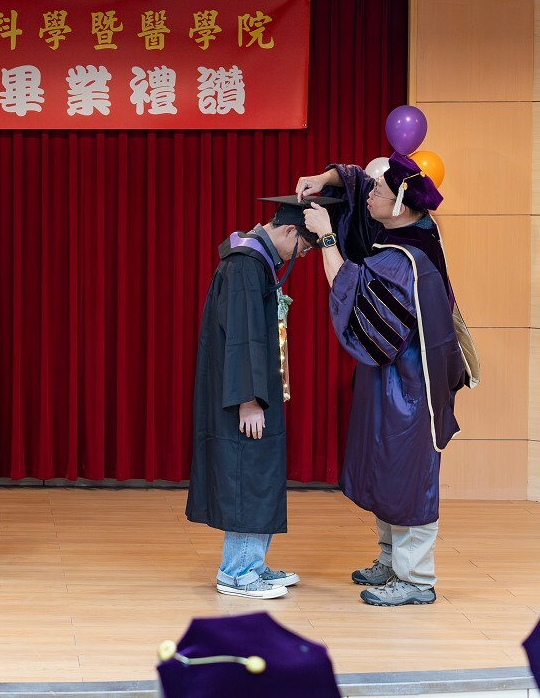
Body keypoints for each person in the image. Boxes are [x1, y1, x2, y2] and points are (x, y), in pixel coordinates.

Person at [297, 154, 467, 606]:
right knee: (386, 468)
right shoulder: (412, 229)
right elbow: (356, 181)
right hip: (391, 378)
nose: (369, 194)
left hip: (410, 384)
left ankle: (416, 580)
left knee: (408, 476)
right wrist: (324, 178)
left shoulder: (403, 260)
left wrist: (327, 237)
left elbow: (354, 297)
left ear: (400, 206)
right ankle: (391, 560)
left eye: (380, 191)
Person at [186, 196, 339, 600]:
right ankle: (237, 572)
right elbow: (242, 336)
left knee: (260, 472)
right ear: (289, 230)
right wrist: (249, 399)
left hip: (254, 389)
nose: (302, 256)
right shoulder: (244, 266)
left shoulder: (254, 263)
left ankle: (253, 563)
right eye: (303, 247)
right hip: (245, 395)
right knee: (248, 473)